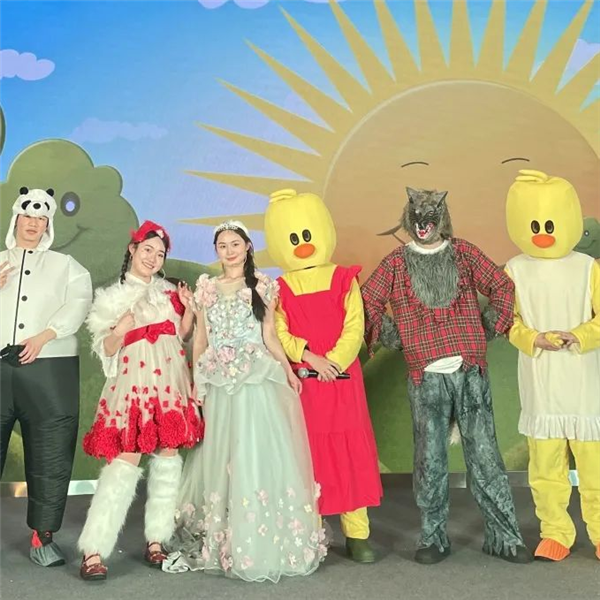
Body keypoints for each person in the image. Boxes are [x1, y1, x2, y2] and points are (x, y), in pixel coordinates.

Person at [361, 187, 532, 565]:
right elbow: (367, 301)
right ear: (409, 218)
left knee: (485, 455)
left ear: (441, 217)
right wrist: (396, 338)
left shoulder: (464, 253)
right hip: (426, 379)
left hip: (470, 372)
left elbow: (502, 286)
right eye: (417, 218)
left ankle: (505, 536)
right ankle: (433, 537)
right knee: (430, 459)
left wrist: (486, 328)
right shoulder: (395, 264)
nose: (423, 225)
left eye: (430, 217)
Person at [163, 220, 326, 582]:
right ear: (216, 251)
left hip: (256, 379)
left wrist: (287, 370)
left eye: (235, 244)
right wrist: (197, 380)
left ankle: (262, 539)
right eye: (222, 245)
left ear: (248, 247)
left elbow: (269, 335)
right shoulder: (206, 288)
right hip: (220, 381)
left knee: (257, 451)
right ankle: (225, 538)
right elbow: (201, 339)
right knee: (223, 455)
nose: (229, 251)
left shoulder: (263, 286)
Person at [77, 220, 203, 581]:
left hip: (170, 384)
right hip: (133, 387)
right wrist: (119, 331)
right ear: (132, 249)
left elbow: (181, 335)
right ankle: (94, 548)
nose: (152, 258)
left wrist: (189, 309)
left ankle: (157, 540)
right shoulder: (111, 298)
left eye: (159, 254)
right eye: (147, 250)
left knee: (168, 460)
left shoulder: (169, 293)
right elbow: (105, 350)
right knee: (124, 463)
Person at [264, 189, 382, 563]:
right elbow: (277, 331)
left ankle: (357, 533)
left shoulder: (344, 278)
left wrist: (335, 361)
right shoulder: (278, 288)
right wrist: (311, 358)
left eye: (307, 234)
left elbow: (355, 326)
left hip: (343, 381)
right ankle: (311, 533)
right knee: (309, 455)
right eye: (293, 237)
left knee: (350, 451)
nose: (302, 244)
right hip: (306, 383)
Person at [505, 170, 600, 562]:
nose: (543, 233)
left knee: (594, 468)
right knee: (545, 467)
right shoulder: (514, 270)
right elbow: (508, 322)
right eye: (535, 225)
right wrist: (533, 339)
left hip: (583, 384)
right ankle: (555, 531)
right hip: (541, 383)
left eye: (549, 224)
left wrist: (580, 335)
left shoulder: (588, 267)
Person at [0, 187, 92, 567]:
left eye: (42, 218)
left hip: (50, 369)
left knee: (51, 450)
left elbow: (79, 302)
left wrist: (45, 335)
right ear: (16, 218)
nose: (34, 223)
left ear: (48, 224)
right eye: (28, 215)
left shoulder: (67, 266)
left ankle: (43, 535)